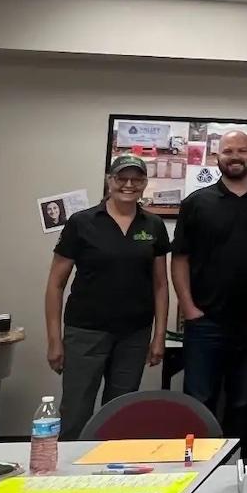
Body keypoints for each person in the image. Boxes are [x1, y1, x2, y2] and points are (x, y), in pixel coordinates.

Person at [45, 155, 170, 440]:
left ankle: (109, 479)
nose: (128, 185)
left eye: (136, 179)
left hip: (134, 335)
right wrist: (54, 339)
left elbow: (161, 285)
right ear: (109, 180)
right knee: (76, 412)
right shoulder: (82, 222)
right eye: (121, 178)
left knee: (119, 415)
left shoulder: (153, 225)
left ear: (144, 184)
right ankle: (66, 481)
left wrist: (159, 335)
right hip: (85, 332)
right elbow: (55, 284)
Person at [172, 130, 247, 441]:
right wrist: (188, 307)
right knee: (199, 401)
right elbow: (180, 259)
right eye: (228, 151)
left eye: (242, 151)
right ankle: (196, 470)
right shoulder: (197, 203)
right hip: (205, 321)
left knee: (243, 402)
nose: (235, 157)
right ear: (216, 158)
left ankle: (235, 466)